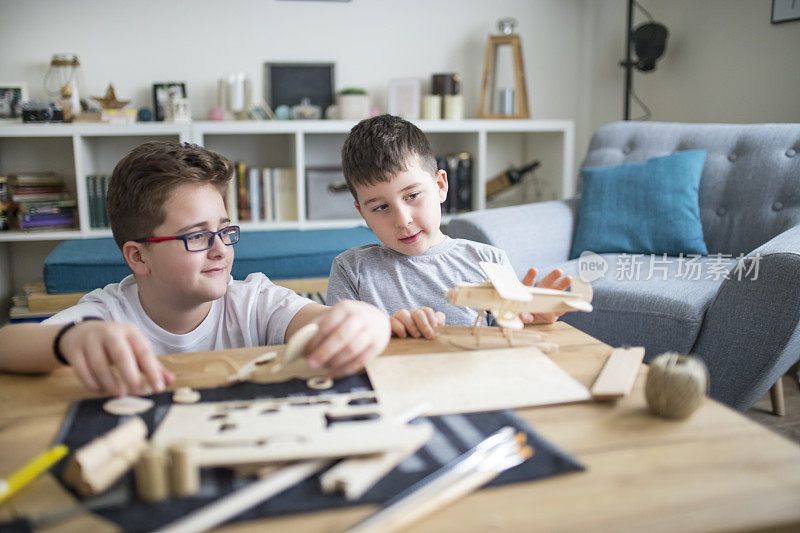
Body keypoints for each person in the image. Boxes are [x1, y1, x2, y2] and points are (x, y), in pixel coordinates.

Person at [0, 141, 390, 396]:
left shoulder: (252, 300)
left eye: (224, 230)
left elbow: (323, 322)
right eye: (196, 237)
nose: (221, 250)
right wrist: (69, 340)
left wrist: (367, 320)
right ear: (138, 257)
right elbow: (6, 346)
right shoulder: (107, 315)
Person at [326, 115, 570, 339]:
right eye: (380, 207)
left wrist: (531, 322)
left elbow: (510, 343)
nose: (403, 220)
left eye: (412, 196)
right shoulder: (351, 270)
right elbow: (337, 343)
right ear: (362, 213)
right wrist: (387, 330)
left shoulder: (489, 260)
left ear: (441, 186)